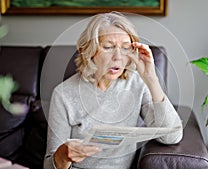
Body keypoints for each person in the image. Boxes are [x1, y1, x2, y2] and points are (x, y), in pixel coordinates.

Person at [44, 11, 183, 169]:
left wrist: (151, 79)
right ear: (89, 50)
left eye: (125, 48)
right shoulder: (63, 94)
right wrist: (63, 155)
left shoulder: (137, 84)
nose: (118, 57)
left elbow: (171, 137)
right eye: (108, 47)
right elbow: (49, 165)